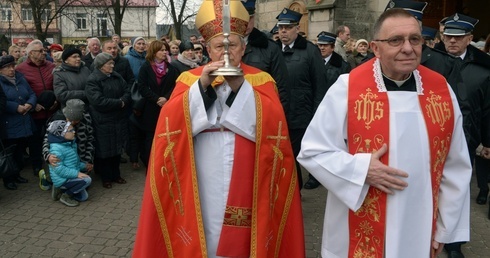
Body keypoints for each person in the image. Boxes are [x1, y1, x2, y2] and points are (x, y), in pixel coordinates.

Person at [133, 0, 305, 256]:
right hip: (201, 169)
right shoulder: (188, 79)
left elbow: (274, 126)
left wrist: (240, 87)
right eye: (219, 46)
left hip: (248, 168)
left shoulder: (261, 80)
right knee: (204, 226)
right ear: (207, 47)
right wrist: (202, 86)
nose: (226, 52)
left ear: (243, 48)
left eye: (232, 45)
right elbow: (169, 123)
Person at [297, 8, 472, 257]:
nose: (408, 48)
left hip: (420, 223)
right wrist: (360, 170)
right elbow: (312, 151)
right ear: (375, 48)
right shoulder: (348, 88)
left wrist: (445, 229)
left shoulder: (440, 90)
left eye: (415, 39)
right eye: (395, 40)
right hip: (358, 222)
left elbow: (456, 166)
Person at [440, 13, 490, 257]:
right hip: (431, 140)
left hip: (465, 140)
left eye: (458, 38)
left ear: (469, 38)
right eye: (448, 36)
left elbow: (488, 109)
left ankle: (453, 242)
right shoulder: (427, 62)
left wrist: (488, 141)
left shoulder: (483, 71)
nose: (451, 41)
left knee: (457, 190)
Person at [276, 7, 329, 190]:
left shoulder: (310, 51)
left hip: (302, 113)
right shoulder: (274, 50)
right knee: (283, 154)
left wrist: (317, 113)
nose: (283, 31)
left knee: (296, 154)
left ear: (297, 29)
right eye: (281, 27)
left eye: (288, 27)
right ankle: (289, 193)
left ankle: (299, 189)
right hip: (279, 112)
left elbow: (320, 84)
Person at [85, 53, 130, 189]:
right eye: (109, 63)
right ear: (100, 65)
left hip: (117, 118)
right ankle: (106, 177)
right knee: (104, 150)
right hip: (102, 120)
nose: (112, 65)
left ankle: (116, 175)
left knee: (116, 148)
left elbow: (127, 91)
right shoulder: (93, 80)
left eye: (112, 63)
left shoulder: (117, 76)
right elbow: (98, 101)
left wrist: (123, 101)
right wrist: (119, 103)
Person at [131, 40, 178, 168]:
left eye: (165, 50)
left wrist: (166, 98)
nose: (165, 52)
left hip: (166, 106)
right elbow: (142, 87)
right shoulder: (146, 67)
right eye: (161, 50)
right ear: (154, 52)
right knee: (150, 136)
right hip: (150, 107)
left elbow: (175, 85)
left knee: (164, 136)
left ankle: (164, 162)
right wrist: (157, 99)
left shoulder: (172, 68)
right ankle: (150, 163)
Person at [16, 39, 57, 176]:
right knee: (35, 141)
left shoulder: (51, 66)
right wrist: (33, 105)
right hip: (35, 112)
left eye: (44, 51)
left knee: (54, 139)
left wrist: (56, 101)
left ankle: (55, 165)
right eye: (40, 51)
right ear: (31, 53)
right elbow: (19, 91)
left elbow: (57, 86)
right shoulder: (21, 69)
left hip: (52, 110)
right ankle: (37, 165)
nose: (43, 53)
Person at [241, 0, 290, 113]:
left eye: (250, 18)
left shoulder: (270, 48)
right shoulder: (220, 47)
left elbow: (282, 88)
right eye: (243, 18)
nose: (247, 23)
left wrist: (279, 118)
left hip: (263, 113)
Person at [42, 99, 94, 192]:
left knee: (84, 185)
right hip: (62, 155)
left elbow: (90, 139)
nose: (72, 123)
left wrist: (88, 160)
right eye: (70, 120)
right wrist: (48, 156)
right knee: (56, 174)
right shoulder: (57, 120)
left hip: (77, 155)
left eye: (76, 121)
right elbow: (46, 141)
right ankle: (46, 177)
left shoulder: (86, 118)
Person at [0, 55, 36, 190]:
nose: (11, 69)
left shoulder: (20, 78)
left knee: (20, 151)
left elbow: (31, 93)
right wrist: (16, 107)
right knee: (9, 152)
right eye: (7, 67)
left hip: (24, 120)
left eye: (12, 66)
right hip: (9, 122)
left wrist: (29, 104)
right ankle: (8, 178)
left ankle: (17, 174)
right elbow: (2, 101)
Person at [46, 119, 92, 207]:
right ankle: (65, 195)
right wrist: (77, 174)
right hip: (63, 178)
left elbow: (74, 162)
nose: (74, 132)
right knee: (87, 180)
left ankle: (60, 190)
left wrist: (84, 166)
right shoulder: (56, 149)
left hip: (69, 175)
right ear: (61, 134)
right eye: (70, 130)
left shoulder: (70, 143)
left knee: (84, 197)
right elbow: (59, 170)